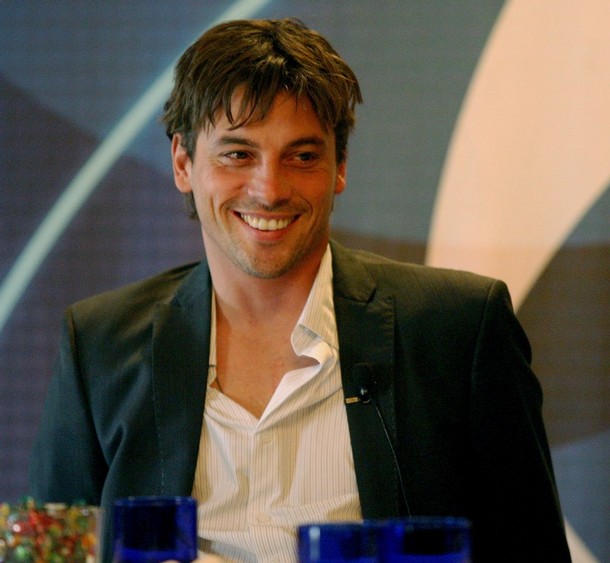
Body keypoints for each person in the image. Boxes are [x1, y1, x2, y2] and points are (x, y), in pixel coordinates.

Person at [29, 18, 571, 562]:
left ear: (340, 167)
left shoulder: (457, 328)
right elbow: (53, 553)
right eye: (238, 154)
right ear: (183, 163)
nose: (269, 190)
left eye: (303, 156)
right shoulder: (99, 344)